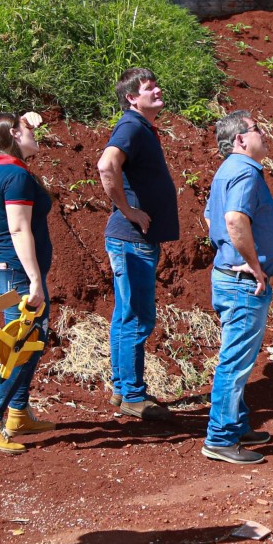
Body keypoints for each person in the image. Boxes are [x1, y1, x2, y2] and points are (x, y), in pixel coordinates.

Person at [95, 67, 181, 422]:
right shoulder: (131, 126)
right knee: (137, 318)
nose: (157, 90)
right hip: (132, 241)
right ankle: (133, 395)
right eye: (148, 88)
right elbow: (106, 165)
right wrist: (128, 210)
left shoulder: (141, 127)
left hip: (134, 241)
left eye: (156, 84)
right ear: (132, 98)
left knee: (125, 315)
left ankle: (122, 388)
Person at [201, 110, 273, 465]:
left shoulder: (227, 171)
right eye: (257, 129)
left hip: (231, 278)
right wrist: (254, 265)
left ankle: (236, 425)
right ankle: (220, 438)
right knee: (234, 363)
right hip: (242, 283)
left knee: (237, 359)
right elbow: (233, 219)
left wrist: (225, 248)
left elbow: (210, 216)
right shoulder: (245, 171)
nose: (263, 134)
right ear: (240, 139)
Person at [0, 111, 59, 453]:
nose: (37, 135)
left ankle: (18, 413)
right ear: (14, 134)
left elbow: (8, 141)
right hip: (17, 275)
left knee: (31, 341)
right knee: (19, 348)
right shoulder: (16, 176)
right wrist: (35, 280)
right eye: (28, 131)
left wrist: (23, 120)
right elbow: (19, 228)